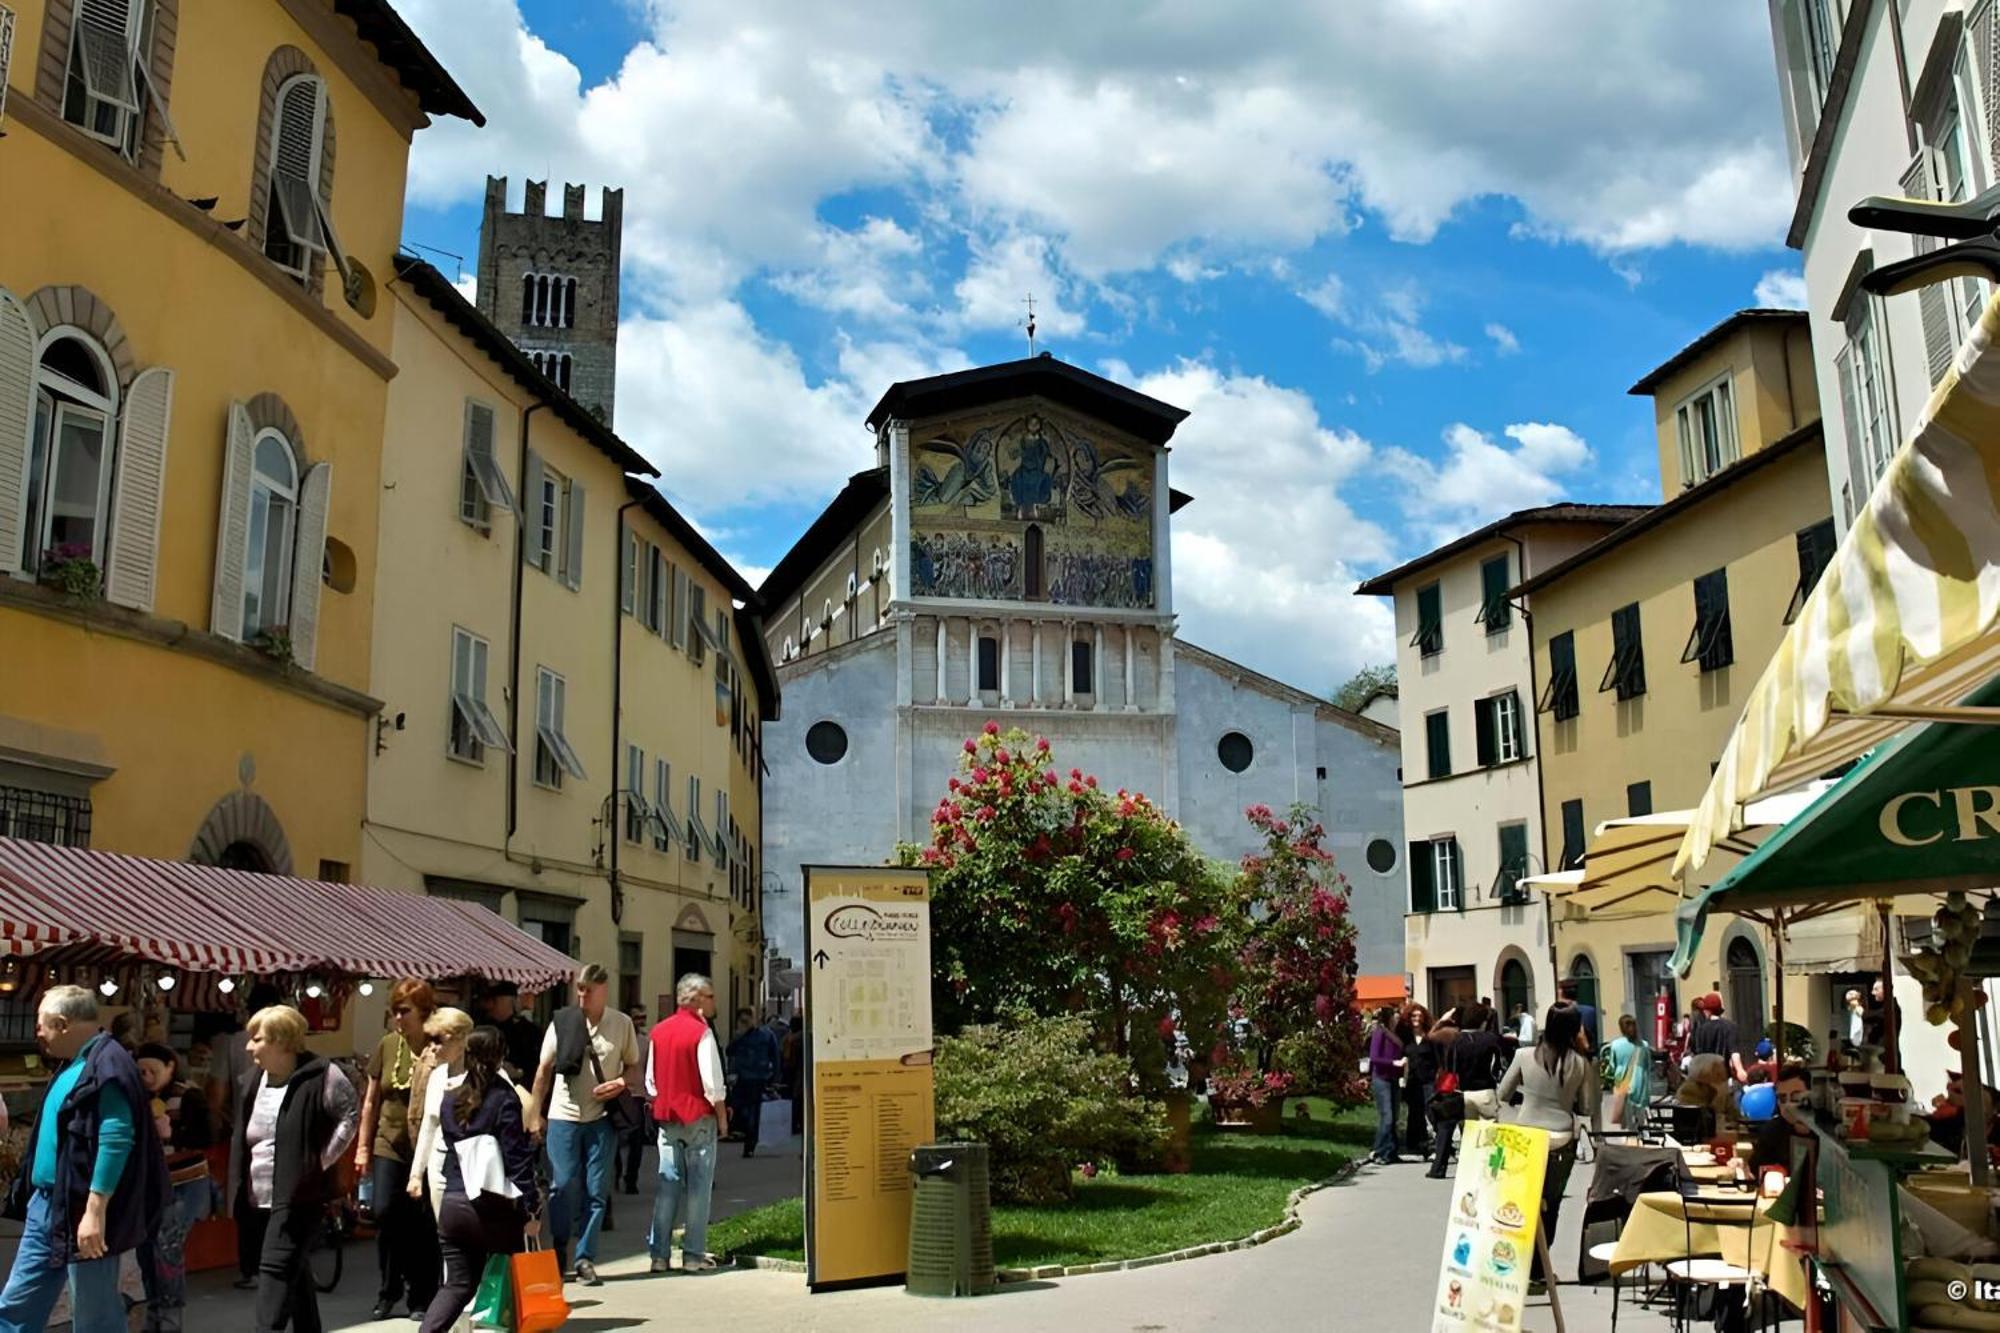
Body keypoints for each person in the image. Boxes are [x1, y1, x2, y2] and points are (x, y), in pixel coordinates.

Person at [0, 986, 167, 1333]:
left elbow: (116, 1137)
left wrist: (95, 1211)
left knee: (95, 1315)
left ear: (62, 1023)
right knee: (16, 1306)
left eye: (41, 1025)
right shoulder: (77, 1061)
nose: (38, 1034)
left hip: (81, 1209)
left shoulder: (108, 1062)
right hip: (47, 1206)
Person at [227, 1004, 359, 1333]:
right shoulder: (252, 1081)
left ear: (282, 1042)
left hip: (298, 1199)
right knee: (293, 1275)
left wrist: (318, 1163)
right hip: (258, 1199)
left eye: (257, 1039)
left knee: (274, 1274)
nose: (248, 1047)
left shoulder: (322, 1076)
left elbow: (350, 1115)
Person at [418, 1029, 539, 1333]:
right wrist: (531, 1208)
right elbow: (516, 1159)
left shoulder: (451, 1099)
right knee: (506, 1284)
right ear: (500, 1057)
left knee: (457, 1283)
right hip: (492, 1209)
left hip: (453, 1203)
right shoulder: (504, 1098)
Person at [528, 963, 640, 1286]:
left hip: (602, 1119)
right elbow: (543, 1071)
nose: (582, 995)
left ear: (603, 990)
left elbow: (633, 1066)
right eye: (579, 989)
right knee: (562, 1186)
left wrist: (619, 1083)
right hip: (564, 1116)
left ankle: (585, 1258)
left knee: (596, 1191)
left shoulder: (621, 1024)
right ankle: (560, 1246)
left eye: (588, 990)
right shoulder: (562, 1023)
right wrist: (536, 1114)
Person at [356, 979, 441, 1321]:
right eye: (394, 1010)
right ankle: (389, 1289)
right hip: (388, 1141)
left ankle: (421, 1295)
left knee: (423, 1222)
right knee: (385, 1212)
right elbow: (371, 1100)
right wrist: (362, 1147)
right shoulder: (388, 1045)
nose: (398, 1018)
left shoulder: (438, 1047)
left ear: (424, 1012)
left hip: (427, 1145)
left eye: (405, 1011)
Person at [1498, 1002, 1591, 1289]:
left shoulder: (1524, 1056)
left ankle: (1514, 1264)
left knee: (1523, 1203)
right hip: (1561, 1138)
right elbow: (1586, 1106)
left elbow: (1503, 1092)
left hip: (1527, 1136)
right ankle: (1539, 1267)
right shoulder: (1580, 1063)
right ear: (1575, 1029)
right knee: (1551, 1206)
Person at [645, 974, 728, 1273]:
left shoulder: (658, 1031)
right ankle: (692, 1254)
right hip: (697, 1117)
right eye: (710, 996)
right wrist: (722, 1116)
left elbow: (651, 1082)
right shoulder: (701, 1033)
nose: (713, 1002)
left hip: (667, 1118)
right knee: (698, 1188)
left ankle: (659, 1255)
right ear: (697, 1000)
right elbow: (712, 1082)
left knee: (667, 1186)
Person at [207, 982, 284, 1292]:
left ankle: (251, 1267)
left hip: (247, 1136)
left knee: (247, 1202)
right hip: (282, 1135)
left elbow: (216, 1095)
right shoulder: (291, 1046)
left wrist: (227, 1119)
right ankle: (274, 1263)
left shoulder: (233, 1043)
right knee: (278, 1199)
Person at [134, 1043, 214, 1333]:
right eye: (140, 1071)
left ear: (170, 1067)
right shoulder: (137, 1098)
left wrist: (174, 1133)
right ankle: (154, 1309)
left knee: (167, 1248)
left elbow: (207, 1135)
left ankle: (170, 1313)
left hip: (185, 1184)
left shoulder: (189, 1096)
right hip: (150, 1185)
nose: (146, 1076)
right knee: (146, 1250)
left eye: (152, 1071)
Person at [407, 1008, 475, 1225]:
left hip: (472, 1166)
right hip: (439, 1166)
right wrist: (416, 1174)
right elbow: (429, 1125)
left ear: (461, 1039)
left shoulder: (482, 1076)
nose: (432, 1047)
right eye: (430, 1040)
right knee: (445, 1234)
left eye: (438, 1040)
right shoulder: (436, 1077)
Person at [725, 1008, 780, 1159]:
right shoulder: (739, 1036)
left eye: (748, 1019)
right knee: (741, 1110)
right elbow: (729, 1051)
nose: (746, 1023)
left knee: (754, 1112)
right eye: (742, 1020)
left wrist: (775, 1079)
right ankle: (744, 1135)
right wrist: (739, 1036)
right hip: (741, 1078)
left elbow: (775, 1056)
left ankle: (750, 1144)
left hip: (758, 1078)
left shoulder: (766, 1035)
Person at [616, 1006, 654, 1194]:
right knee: (616, 1139)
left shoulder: (645, 1042)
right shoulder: (619, 1040)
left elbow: (650, 1067)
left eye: (643, 1017)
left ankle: (631, 1178)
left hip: (639, 1095)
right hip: (620, 1094)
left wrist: (650, 1094)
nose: (640, 1021)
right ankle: (615, 1173)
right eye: (637, 1017)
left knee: (636, 1141)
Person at [1422, 1015, 1462, 1178]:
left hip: (1448, 1085)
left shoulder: (1444, 1034)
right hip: (1468, 1085)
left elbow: (1429, 1035)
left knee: (1445, 1128)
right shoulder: (1465, 1036)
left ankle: (1438, 1167)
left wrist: (1441, 1020)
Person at [1365, 1006, 1405, 1165]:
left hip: (1394, 1078)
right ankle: (1378, 1150)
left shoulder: (1396, 1035)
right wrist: (1394, 1062)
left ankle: (1390, 1151)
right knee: (1387, 1116)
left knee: (1394, 1117)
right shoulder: (1379, 1033)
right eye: (1395, 1017)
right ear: (1388, 1019)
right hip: (1381, 1078)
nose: (1397, 1020)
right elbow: (1374, 1057)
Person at [480, 984, 542, 1083]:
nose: (489, 1006)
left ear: (509, 1001)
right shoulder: (483, 1027)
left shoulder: (528, 1030)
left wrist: (518, 1072)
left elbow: (538, 1063)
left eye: (495, 1001)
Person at [1603, 1014, 1653, 1130]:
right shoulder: (1644, 1045)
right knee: (1641, 1119)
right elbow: (1648, 1065)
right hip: (1640, 1083)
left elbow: (1611, 1066)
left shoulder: (1615, 1045)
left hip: (1623, 1084)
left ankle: (1628, 1140)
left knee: (1626, 1120)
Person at [1397, 1004, 1435, 1157]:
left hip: (1428, 1079)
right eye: (1414, 1016)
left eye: (1420, 1016)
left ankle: (1436, 1142)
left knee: (1431, 1109)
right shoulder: (1405, 1037)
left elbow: (1437, 1058)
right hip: (1411, 1080)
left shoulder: (1429, 1036)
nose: (1417, 1019)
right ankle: (1415, 1143)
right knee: (1414, 1112)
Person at [1689, 993, 1750, 1084]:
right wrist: (1740, 1070)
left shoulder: (1700, 1030)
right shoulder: (1730, 1026)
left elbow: (1697, 1054)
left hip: (1706, 1077)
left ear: (1706, 1011)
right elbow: (1734, 1052)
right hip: (1724, 1076)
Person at [783, 1017, 804, 1137]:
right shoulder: (805, 1037)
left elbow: (786, 1057)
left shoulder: (790, 1039)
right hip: (801, 1070)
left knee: (794, 1098)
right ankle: (800, 1122)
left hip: (793, 1071)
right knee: (800, 1099)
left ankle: (793, 1123)